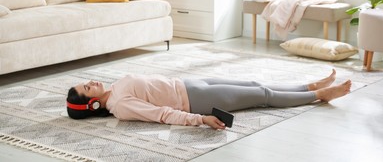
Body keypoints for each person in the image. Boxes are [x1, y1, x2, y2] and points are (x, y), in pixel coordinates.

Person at [66, 69, 351, 130]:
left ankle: (307, 85)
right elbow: (162, 114)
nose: (91, 83)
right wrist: (200, 119)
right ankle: (318, 95)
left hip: (189, 83)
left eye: (87, 82)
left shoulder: (114, 88)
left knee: (254, 82)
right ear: (92, 104)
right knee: (262, 96)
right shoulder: (121, 106)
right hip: (195, 100)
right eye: (88, 88)